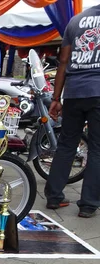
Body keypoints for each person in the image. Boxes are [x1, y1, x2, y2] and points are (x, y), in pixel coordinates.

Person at [44, 3, 100, 218]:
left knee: (67, 144)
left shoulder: (75, 21)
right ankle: (88, 204)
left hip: (74, 92)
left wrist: (56, 98)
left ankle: (54, 197)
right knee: (97, 148)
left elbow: (64, 61)